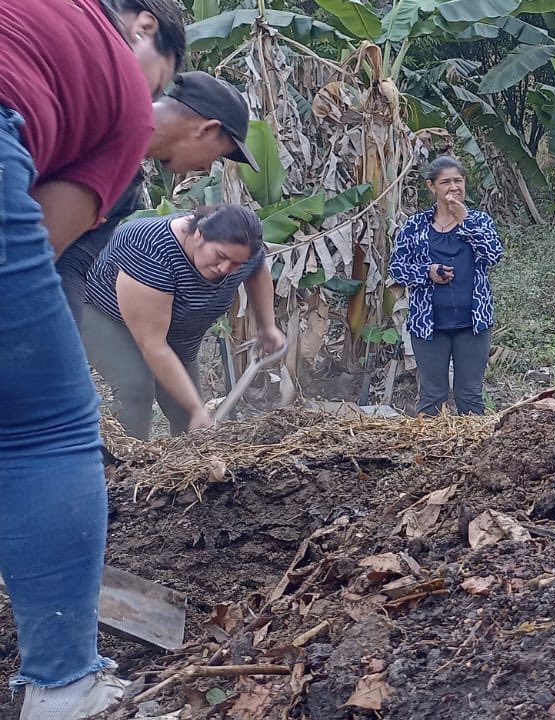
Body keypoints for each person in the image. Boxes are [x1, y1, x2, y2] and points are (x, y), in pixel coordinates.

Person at [0, 0, 184, 717]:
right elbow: (39, 244)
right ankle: (66, 687)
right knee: (41, 425)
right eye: (162, 78)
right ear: (140, 27)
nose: (154, 100)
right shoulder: (124, 105)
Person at [58, 71, 261, 323]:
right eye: (218, 154)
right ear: (208, 130)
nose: (208, 166)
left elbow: (70, 263)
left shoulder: (124, 191)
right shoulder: (82, 118)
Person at [82, 205, 285, 439]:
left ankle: (184, 470)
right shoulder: (150, 251)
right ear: (198, 234)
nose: (225, 269)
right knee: (135, 387)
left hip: (177, 329)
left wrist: (267, 326)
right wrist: (196, 408)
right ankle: (127, 468)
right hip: (102, 313)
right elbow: (153, 345)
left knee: (190, 419)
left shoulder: (241, 249)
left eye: (236, 264)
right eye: (220, 257)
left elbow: (257, 270)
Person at [390, 156, 503, 415]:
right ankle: (426, 452)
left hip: (473, 323)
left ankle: (476, 451)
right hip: (428, 324)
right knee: (432, 395)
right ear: (432, 187)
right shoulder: (415, 225)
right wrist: (427, 272)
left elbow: (493, 255)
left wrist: (466, 220)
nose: (454, 187)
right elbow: (396, 268)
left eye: (458, 181)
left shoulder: (480, 221)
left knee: (470, 395)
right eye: (446, 182)